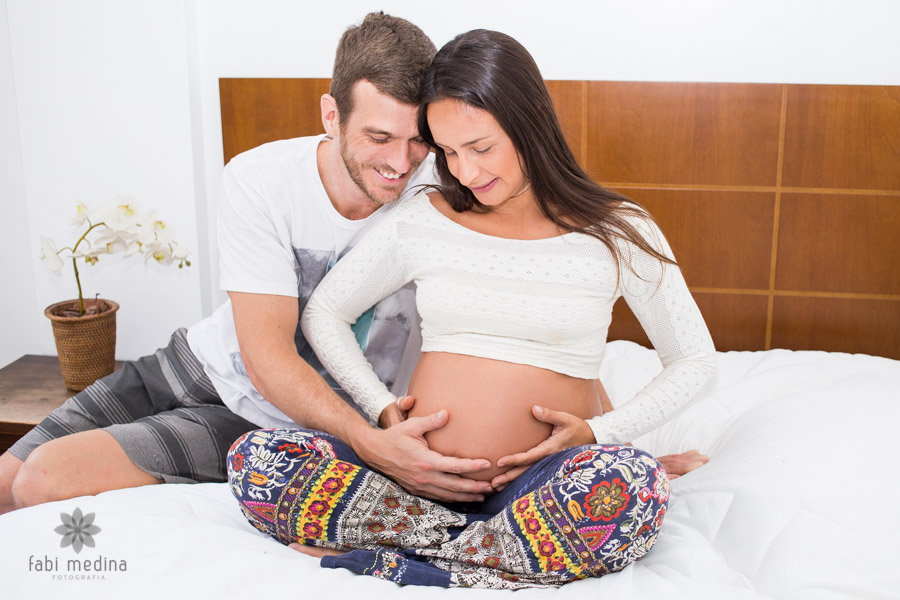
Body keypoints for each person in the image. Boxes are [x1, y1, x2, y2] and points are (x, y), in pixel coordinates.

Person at [228, 29, 717, 589]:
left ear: (529, 118)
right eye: (448, 153)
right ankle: (488, 553)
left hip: (538, 481)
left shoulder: (618, 230)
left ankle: (402, 556)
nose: (464, 172)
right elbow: (325, 313)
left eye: (480, 148)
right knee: (257, 461)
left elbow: (694, 361)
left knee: (634, 485)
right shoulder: (423, 218)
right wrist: (384, 413)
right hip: (410, 485)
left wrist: (601, 434)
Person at [0, 12, 502, 515]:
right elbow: (266, 357)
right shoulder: (261, 178)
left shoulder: (451, 192)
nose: (400, 162)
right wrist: (370, 444)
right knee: (7, 478)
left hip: (275, 424)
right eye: (379, 138)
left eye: (419, 140)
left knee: (42, 481)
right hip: (197, 364)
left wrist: (583, 419)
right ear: (331, 115)